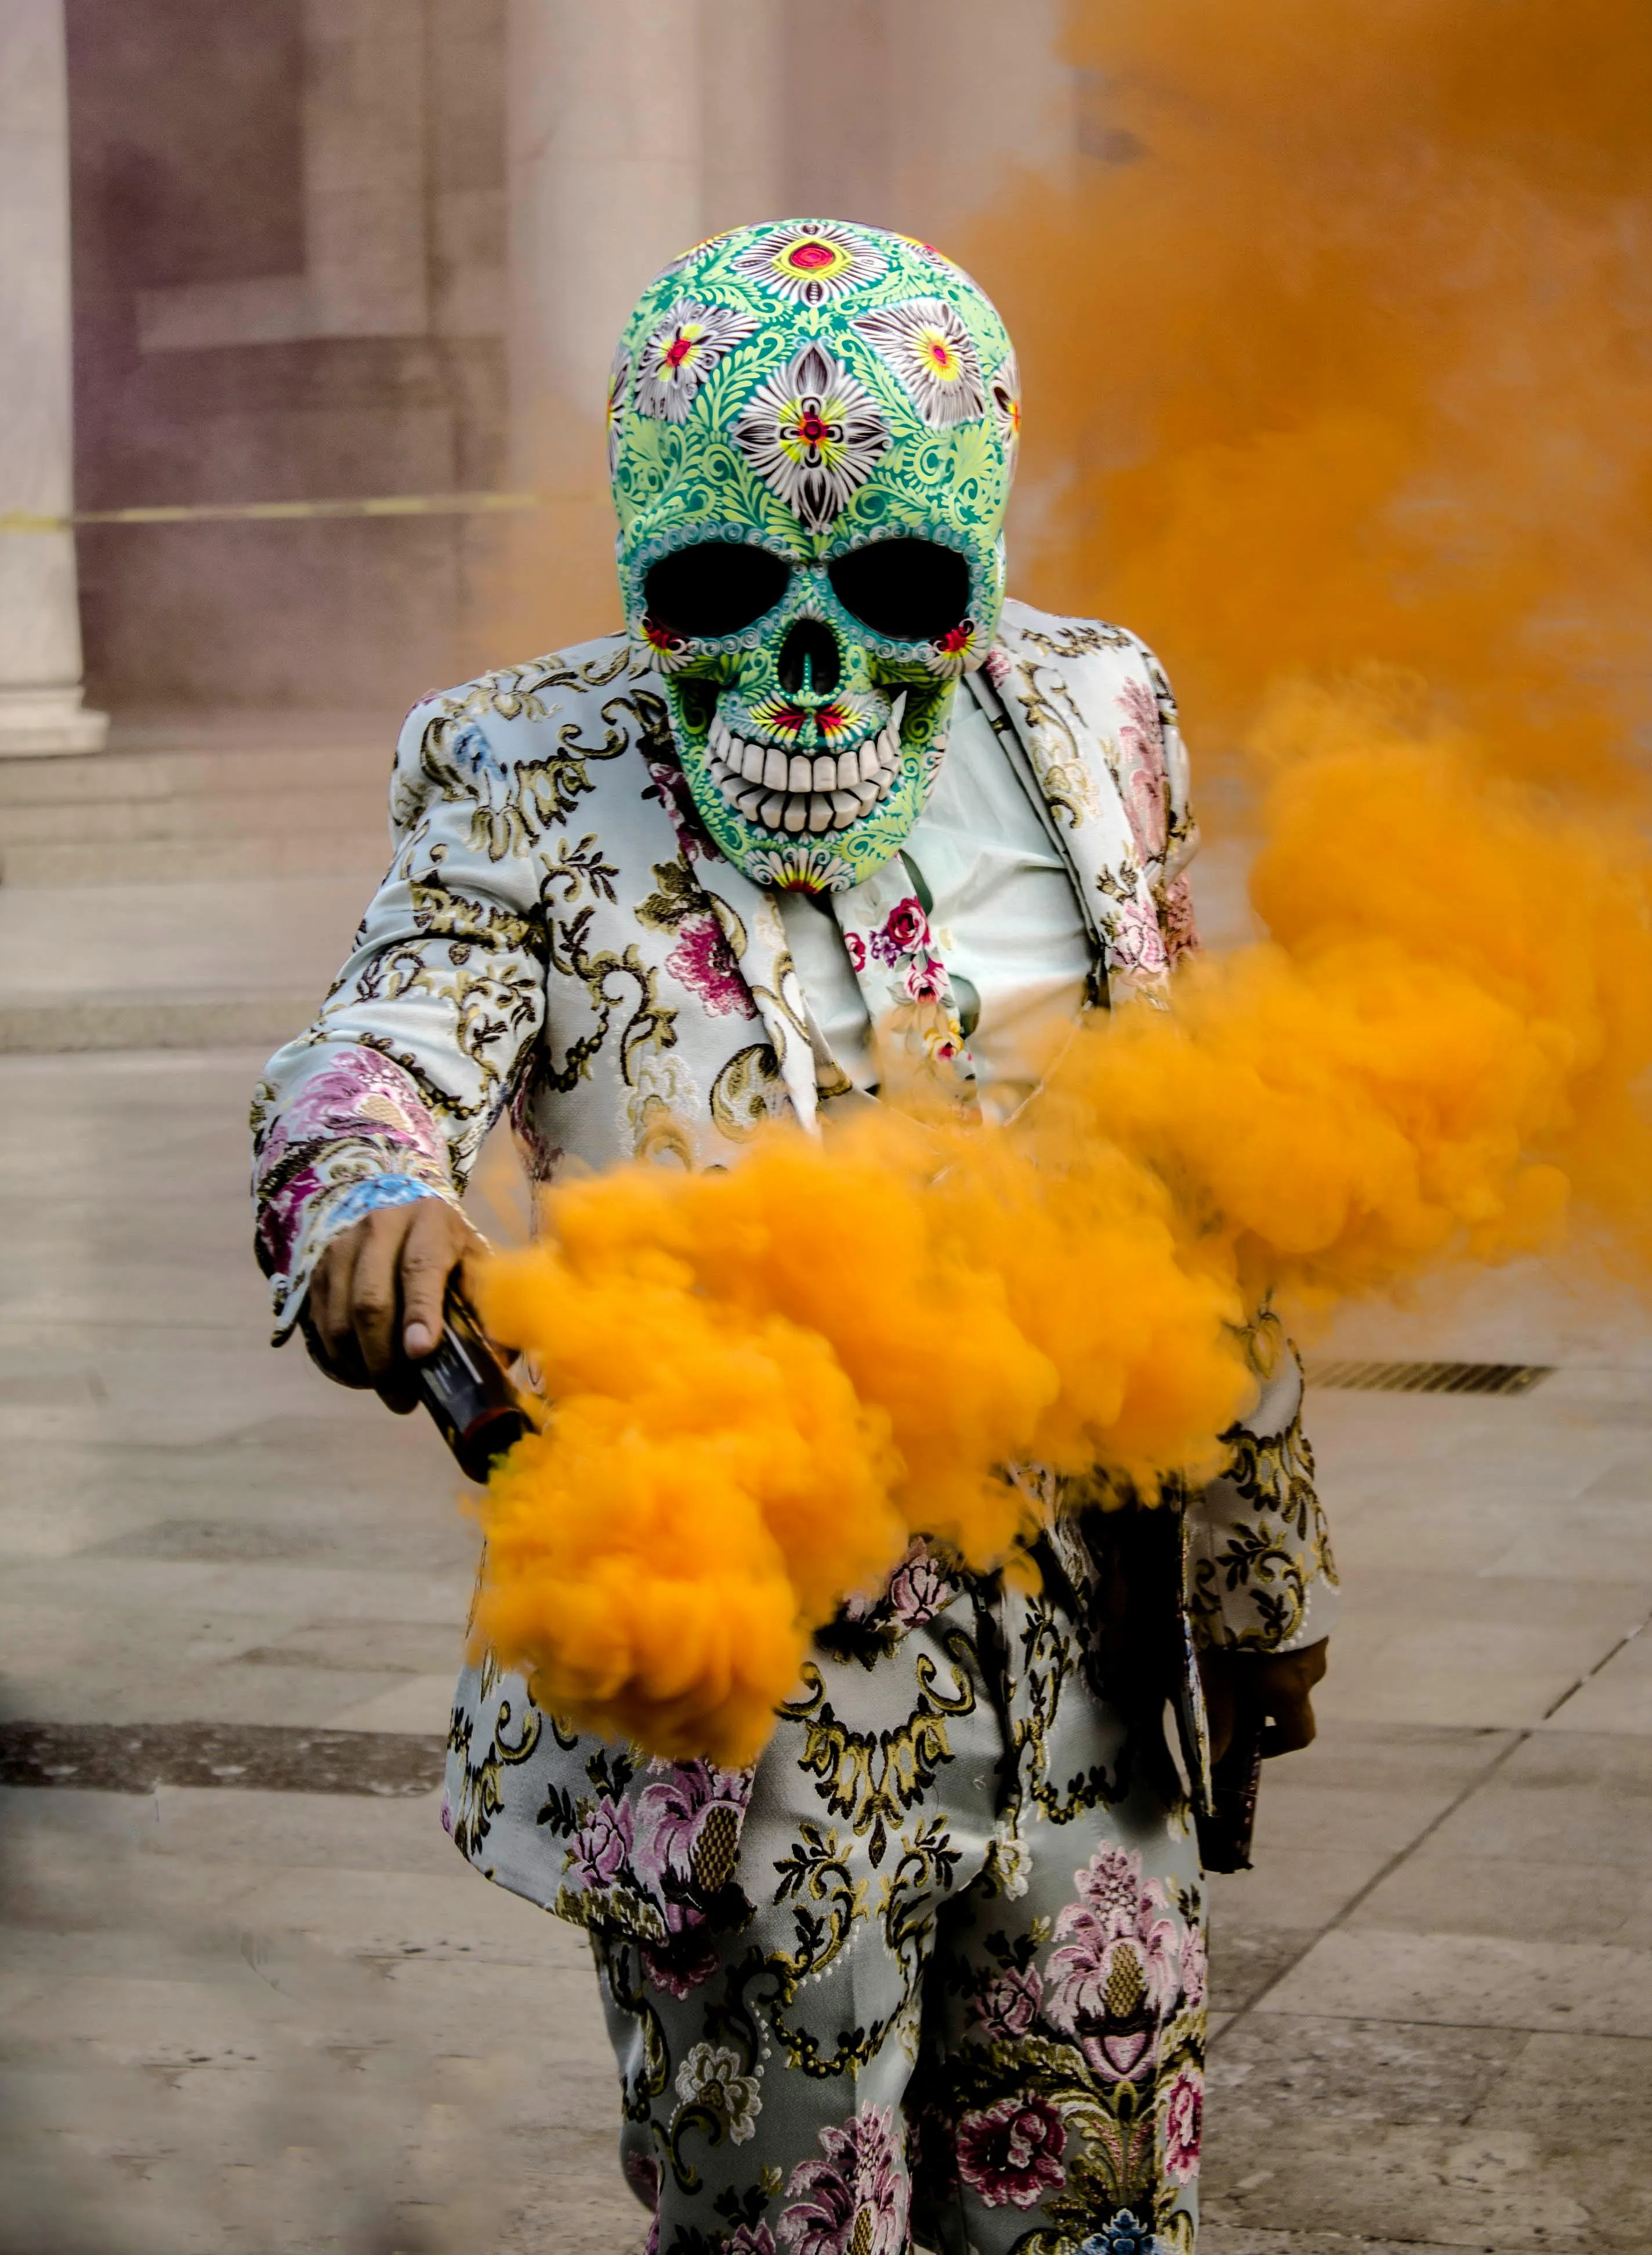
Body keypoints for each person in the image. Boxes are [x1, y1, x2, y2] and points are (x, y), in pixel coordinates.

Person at [252, 220, 1334, 2255]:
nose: (815, 672)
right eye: (731, 596)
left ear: (981, 561)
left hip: (1084, 1643)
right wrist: (365, 1189)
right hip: (741, 1684)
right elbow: (378, 1043)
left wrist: (1261, 1552)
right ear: (646, 559)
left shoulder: (1100, 714)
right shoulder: (521, 764)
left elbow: (1212, 1168)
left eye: (902, 591)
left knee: (1099, 2212)